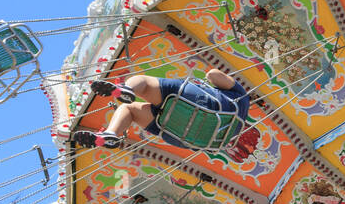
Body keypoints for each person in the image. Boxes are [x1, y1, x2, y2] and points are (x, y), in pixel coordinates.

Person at [71, 68, 258, 161]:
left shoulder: (242, 99)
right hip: (183, 133)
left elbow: (213, 75)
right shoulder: (228, 135)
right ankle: (111, 136)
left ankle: (125, 92)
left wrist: (214, 76)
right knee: (131, 110)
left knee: (142, 82)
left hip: (198, 102)